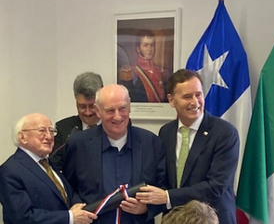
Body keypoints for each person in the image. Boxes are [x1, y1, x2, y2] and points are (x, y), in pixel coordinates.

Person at [136, 69, 239, 224]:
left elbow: (216, 187)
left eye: (198, 94)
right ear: (171, 100)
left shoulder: (224, 133)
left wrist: (168, 197)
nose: (195, 102)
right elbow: (164, 178)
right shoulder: (166, 132)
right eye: (187, 96)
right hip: (176, 219)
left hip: (213, 219)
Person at [63, 84, 167, 224]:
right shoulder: (78, 144)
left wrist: (147, 207)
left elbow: (163, 186)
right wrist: (76, 205)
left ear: (129, 108)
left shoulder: (152, 143)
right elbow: (68, 185)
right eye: (110, 110)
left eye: (122, 108)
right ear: (98, 111)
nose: (117, 116)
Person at [0, 113, 97, 224]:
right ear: (22, 137)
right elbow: (22, 217)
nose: (49, 137)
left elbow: (67, 192)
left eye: (51, 131)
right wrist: (69, 217)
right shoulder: (10, 171)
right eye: (42, 131)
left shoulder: (47, 163)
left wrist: (77, 205)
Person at [50, 72, 103, 172]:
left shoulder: (114, 126)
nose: (88, 113)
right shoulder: (63, 129)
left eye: (92, 106)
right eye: (82, 106)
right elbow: (54, 167)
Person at [118, 29, 170, 102]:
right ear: (138, 49)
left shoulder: (162, 72)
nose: (149, 49)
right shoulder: (130, 72)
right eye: (145, 45)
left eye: (152, 45)